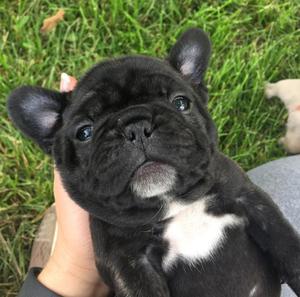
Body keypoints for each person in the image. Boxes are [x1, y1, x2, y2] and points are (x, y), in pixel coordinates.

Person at [17, 75, 300, 297]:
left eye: (178, 103)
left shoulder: (218, 176)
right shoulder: (119, 236)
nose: (138, 134)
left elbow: (266, 218)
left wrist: (74, 270)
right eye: (85, 131)